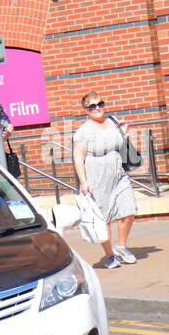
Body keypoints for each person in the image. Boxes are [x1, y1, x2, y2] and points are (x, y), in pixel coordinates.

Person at [72, 91, 138, 269]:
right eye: (92, 106)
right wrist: (83, 181)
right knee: (104, 218)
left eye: (100, 104)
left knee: (128, 209)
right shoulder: (83, 132)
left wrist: (124, 133)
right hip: (96, 175)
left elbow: (119, 143)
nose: (97, 108)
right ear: (86, 110)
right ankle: (109, 255)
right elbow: (78, 158)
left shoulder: (113, 121)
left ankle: (121, 246)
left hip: (118, 173)